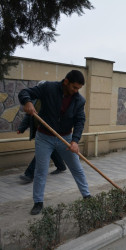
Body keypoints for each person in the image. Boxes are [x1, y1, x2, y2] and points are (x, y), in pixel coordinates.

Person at [18, 70, 91, 215]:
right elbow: (24, 92)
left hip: (66, 139)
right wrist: (27, 102)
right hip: (44, 138)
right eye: (74, 87)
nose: (76, 91)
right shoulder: (48, 88)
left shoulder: (79, 100)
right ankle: (38, 202)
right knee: (41, 170)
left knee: (77, 168)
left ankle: (87, 196)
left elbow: (80, 121)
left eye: (78, 89)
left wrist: (75, 141)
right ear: (66, 82)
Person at [17, 96, 66, 184]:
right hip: (39, 131)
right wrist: (21, 128)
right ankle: (61, 166)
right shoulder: (34, 101)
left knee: (41, 152)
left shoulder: (53, 101)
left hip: (50, 131)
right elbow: (29, 115)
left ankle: (29, 174)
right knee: (51, 149)